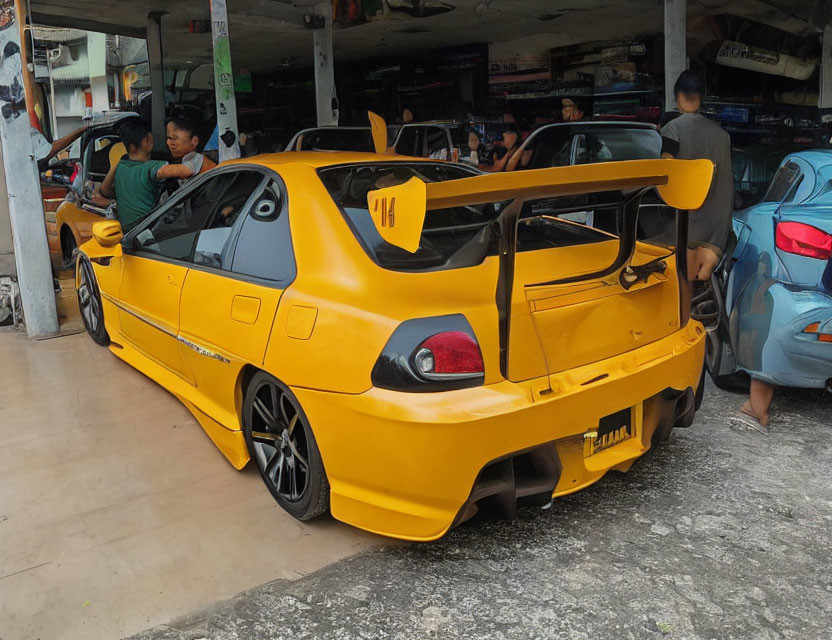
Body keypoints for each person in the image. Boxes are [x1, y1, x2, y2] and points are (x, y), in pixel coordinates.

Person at [660, 71, 733, 283]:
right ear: (701, 97)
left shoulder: (672, 129)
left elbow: (667, 171)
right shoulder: (722, 135)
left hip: (686, 228)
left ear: (677, 97)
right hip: (718, 230)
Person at [99, 117, 193, 231]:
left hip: (127, 233)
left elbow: (104, 190)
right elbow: (187, 170)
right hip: (147, 233)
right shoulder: (150, 167)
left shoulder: (121, 165)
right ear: (149, 140)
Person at [165, 117, 216, 181]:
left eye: (174, 138)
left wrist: (156, 170)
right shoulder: (185, 160)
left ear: (194, 141)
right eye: (168, 138)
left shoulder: (198, 159)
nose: (169, 143)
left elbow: (185, 170)